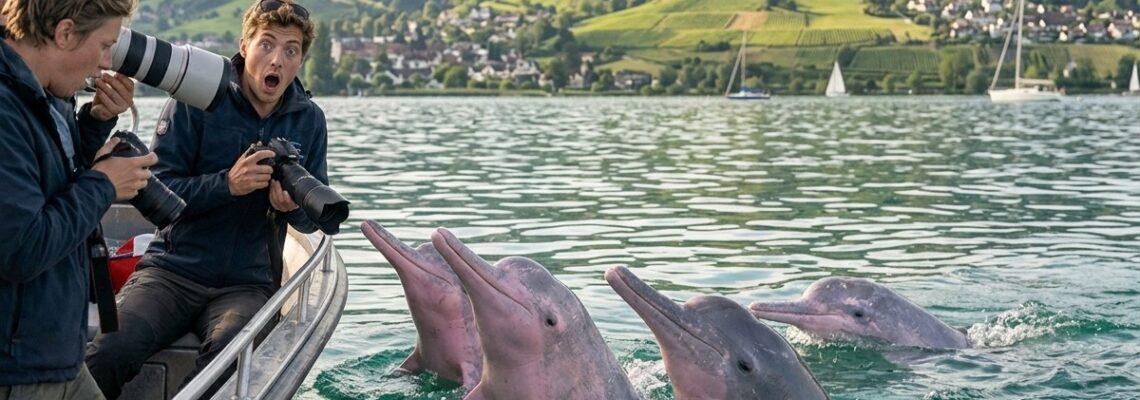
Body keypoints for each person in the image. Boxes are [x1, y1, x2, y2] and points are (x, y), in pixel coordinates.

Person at [85, 0, 329, 398]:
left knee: (229, 367)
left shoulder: (310, 119)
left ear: (300, 60)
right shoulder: (196, 95)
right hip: (172, 271)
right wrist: (226, 185)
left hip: (248, 285)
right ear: (244, 47)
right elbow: (158, 186)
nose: (277, 60)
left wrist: (292, 209)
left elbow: (313, 219)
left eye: (291, 50)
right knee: (112, 350)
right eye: (267, 44)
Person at [0, 0, 156, 398]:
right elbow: (22, 247)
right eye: (105, 46)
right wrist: (105, 184)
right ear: (65, 33)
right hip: (19, 371)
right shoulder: (6, 109)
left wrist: (95, 122)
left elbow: (55, 182)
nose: (105, 64)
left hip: (53, 353)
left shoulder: (43, 94)